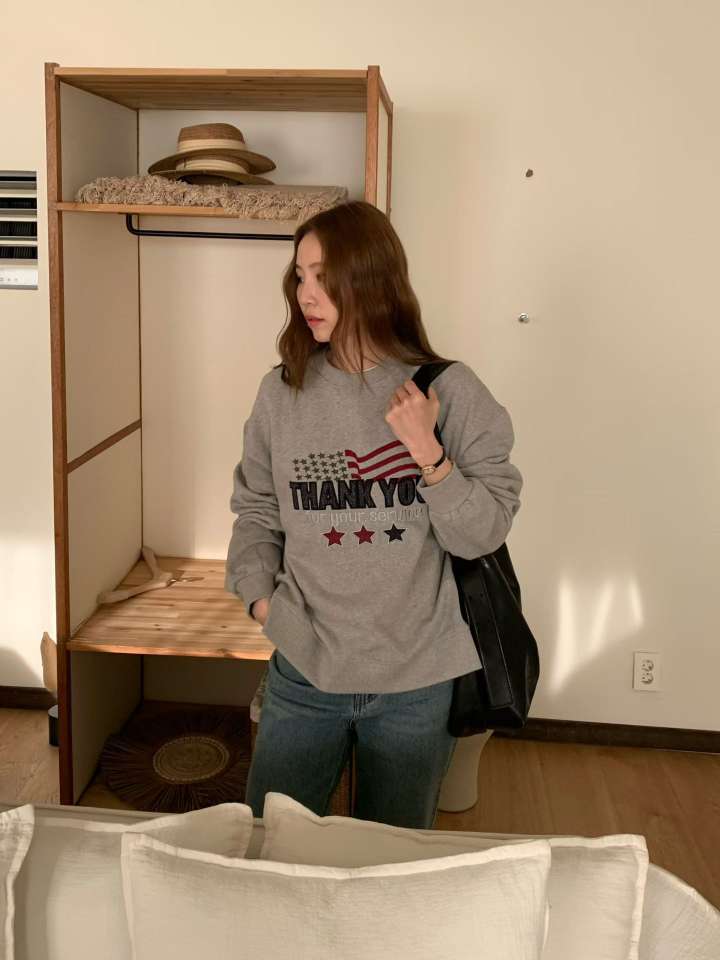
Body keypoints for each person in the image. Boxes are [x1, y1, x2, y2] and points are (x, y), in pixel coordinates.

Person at [225, 200, 523, 829]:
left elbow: (483, 534)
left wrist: (428, 453)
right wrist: (261, 602)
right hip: (305, 665)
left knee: (389, 858)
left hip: (417, 680)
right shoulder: (281, 392)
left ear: (372, 279)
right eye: (300, 276)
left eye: (323, 276)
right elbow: (255, 507)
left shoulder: (449, 389)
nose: (306, 294)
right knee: (269, 843)